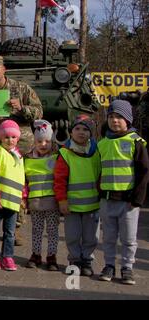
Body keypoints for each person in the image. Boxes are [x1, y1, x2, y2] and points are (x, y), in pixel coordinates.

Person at [0, 55, 43, 246]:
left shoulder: (21, 88)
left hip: (19, 144)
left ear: (4, 69)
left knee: (16, 185)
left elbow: (39, 112)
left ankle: (15, 228)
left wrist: (21, 108)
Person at [97, 100, 149, 285]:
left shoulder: (136, 142)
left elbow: (144, 173)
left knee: (128, 239)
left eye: (119, 117)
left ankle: (127, 267)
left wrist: (137, 199)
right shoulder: (102, 143)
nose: (115, 120)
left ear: (128, 119)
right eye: (111, 116)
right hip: (107, 200)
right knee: (109, 237)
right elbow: (99, 171)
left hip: (128, 203)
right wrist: (99, 194)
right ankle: (109, 265)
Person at [54, 115, 101, 277]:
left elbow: (101, 176)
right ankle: (74, 260)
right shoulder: (65, 154)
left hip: (93, 206)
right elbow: (59, 180)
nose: (81, 132)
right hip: (71, 206)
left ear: (91, 133)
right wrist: (62, 200)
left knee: (91, 236)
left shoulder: (97, 152)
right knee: (72, 235)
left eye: (85, 129)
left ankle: (87, 260)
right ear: (71, 132)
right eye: (77, 129)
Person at [0, 120, 25, 272]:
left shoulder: (19, 157)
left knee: (10, 232)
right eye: (7, 137)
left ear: (18, 139)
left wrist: (23, 197)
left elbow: (21, 178)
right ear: (1, 138)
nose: (10, 140)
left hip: (13, 202)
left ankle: (8, 256)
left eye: (13, 137)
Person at [24, 120, 60, 271]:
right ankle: (36, 254)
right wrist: (24, 199)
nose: (43, 144)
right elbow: (24, 181)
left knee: (52, 230)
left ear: (52, 141)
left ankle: (52, 256)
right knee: (37, 230)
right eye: (39, 141)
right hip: (35, 203)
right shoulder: (28, 159)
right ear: (34, 141)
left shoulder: (57, 157)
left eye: (47, 141)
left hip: (52, 202)